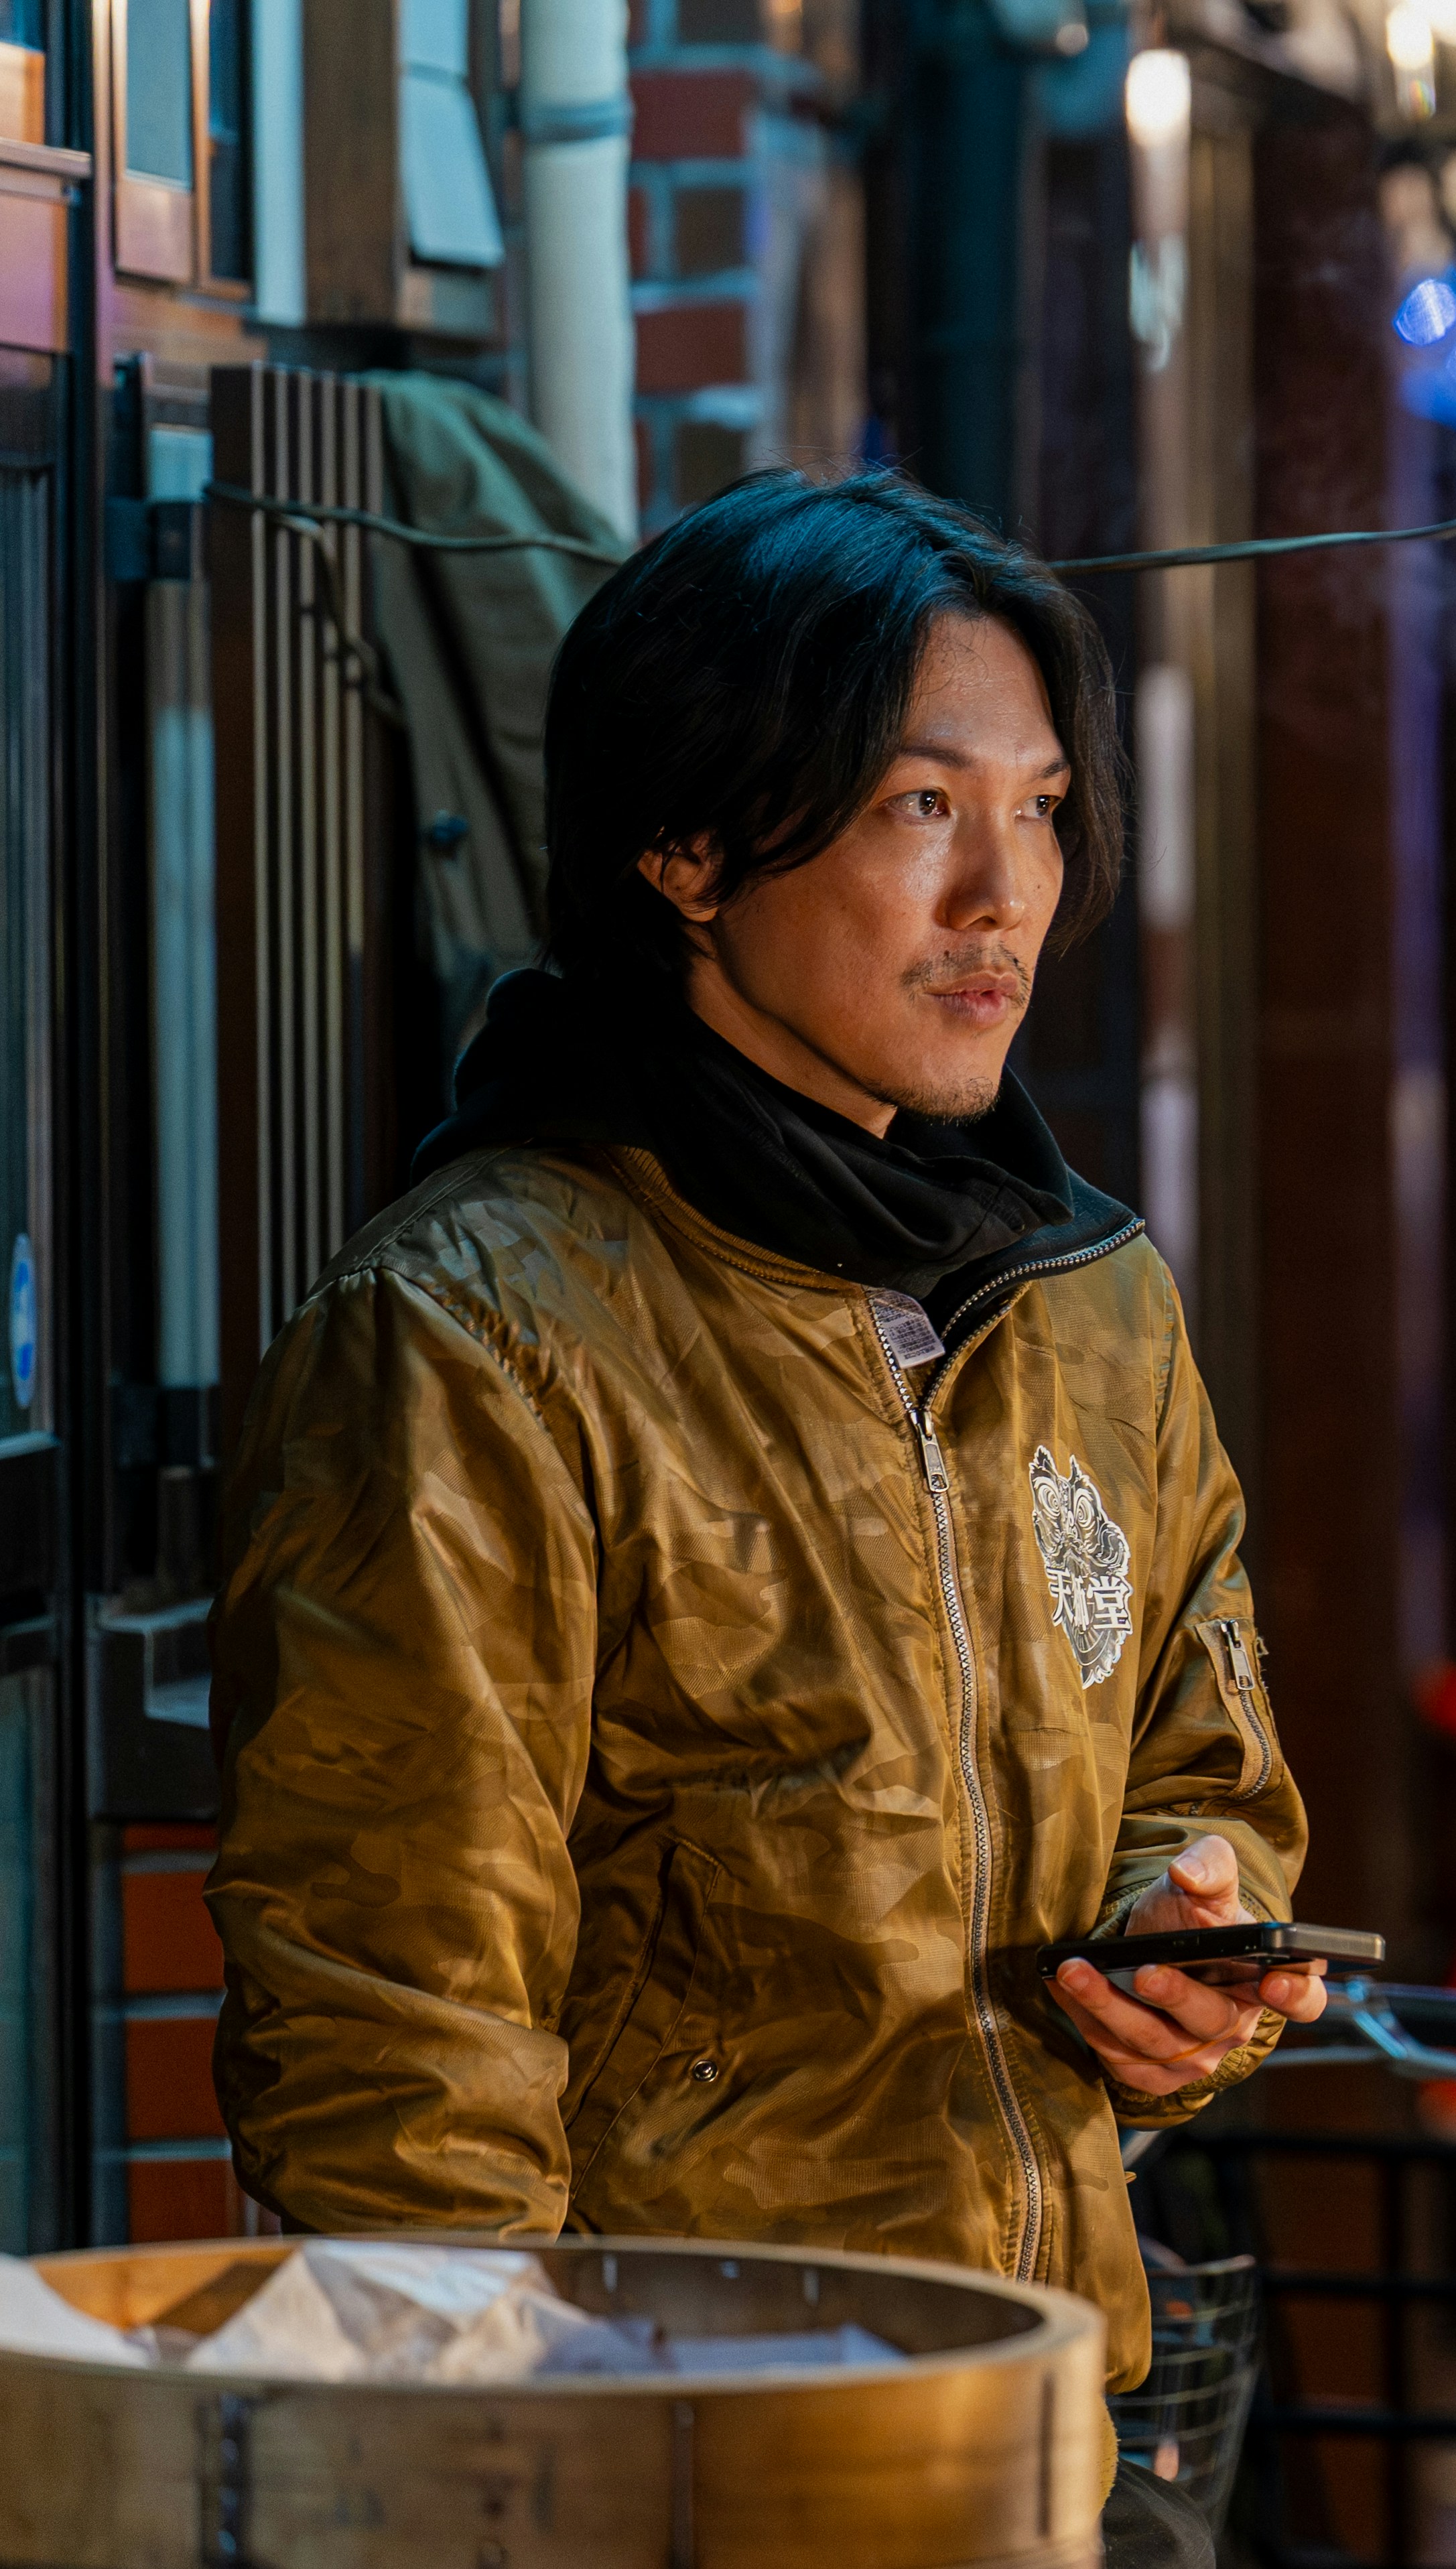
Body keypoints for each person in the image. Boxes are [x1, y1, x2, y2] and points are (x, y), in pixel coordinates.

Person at [206, 470, 1315, 2563]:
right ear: (685, 844)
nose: (1005, 891)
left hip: (1034, 2433)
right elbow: (391, 2041)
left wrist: (1195, 1943)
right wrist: (499, 2491)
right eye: (920, 807)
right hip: (672, 2465)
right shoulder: (475, 1333)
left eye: (1046, 807)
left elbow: (1209, 1768)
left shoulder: (1086, 1296)